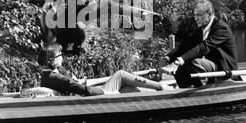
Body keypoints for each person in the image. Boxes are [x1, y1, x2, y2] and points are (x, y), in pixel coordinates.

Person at [159, 0, 238, 88]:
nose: (196, 18)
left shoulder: (222, 29)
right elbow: (186, 46)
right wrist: (167, 58)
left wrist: (178, 62)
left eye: (199, 15)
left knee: (190, 61)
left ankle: (200, 90)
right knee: (181, 59)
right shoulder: (203, 29)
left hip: (225, 69)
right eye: (195, 15)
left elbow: (203, 47)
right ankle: (186, 89)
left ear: (210, 13)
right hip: (213, 66)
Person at [38, 43, 168, 96]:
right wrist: (105, 93)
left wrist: (79, 81)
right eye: (60, 55)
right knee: (121, 74)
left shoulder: (48, 75)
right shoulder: (54, 77)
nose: (62, 58)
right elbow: (83, 89)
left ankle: (156, 94)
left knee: (127, 90)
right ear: (52, 60)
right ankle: (160, 87)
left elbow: (73, 85)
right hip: (97, 94)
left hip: (87, 93)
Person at [41, 0, 105, 55]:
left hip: (76, 31)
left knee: (81, 27)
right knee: (48, 13)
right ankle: (52, 45)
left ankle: (74, 50)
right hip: (60, 27)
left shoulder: (97, 0)